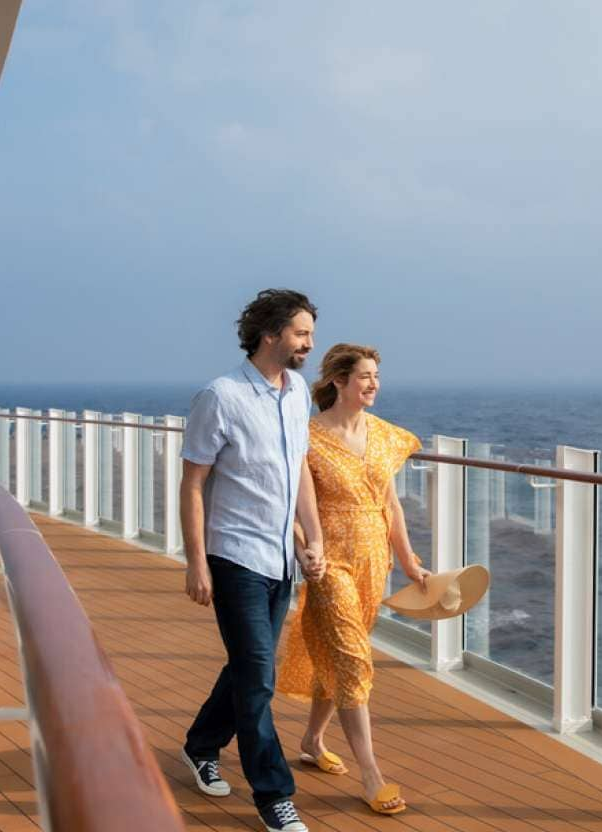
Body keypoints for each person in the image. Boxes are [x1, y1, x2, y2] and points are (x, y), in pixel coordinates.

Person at [180, 289, 327, 832]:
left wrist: (314, 539)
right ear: (271, 335)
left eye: (310, 334)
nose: (310, 344)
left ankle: (200, 745)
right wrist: (196, 563)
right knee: (259, 677)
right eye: (301, 334)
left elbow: (301, 470)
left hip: (281, 561)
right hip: (235, 557)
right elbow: (192, 485)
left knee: (248, 669)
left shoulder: (297, 397)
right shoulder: (219, 397)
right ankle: (273, 795)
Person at [275, 343, 428, 816]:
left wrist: (409, 562)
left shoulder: (384, 436)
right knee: (352, 656)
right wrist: (306, 547)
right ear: (338, 381)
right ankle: (372, 774)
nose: (374, 384)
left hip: (372, 562)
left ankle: (312, 739)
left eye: (377, 376)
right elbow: (294, 501)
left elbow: (390, 503)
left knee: (340, 658)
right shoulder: (308, 436)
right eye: (364, 376)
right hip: (330, 562)